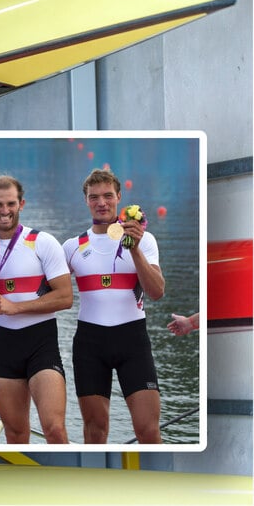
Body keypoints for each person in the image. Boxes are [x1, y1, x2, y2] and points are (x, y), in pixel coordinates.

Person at [63, 169, 166, 444]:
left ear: (119, 197)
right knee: (95, 431)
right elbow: (45, 293)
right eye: (94, 197)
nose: (102, 203)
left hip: (132, 340)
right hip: (90, 343)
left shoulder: (146, 240)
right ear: (86, 201)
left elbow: (156, 291)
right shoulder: (72, 246)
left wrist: (134, 248)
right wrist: (1, 309)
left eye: (108, 196)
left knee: (148, 430)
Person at [0, 175, 72, 444]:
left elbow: (65, 297)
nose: (4, 211)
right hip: (4, 346)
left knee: (54, 429)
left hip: (40, 343)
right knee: (16, 434)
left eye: (11, 204)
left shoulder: (42, 242)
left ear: (22, 204)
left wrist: (16, 308)